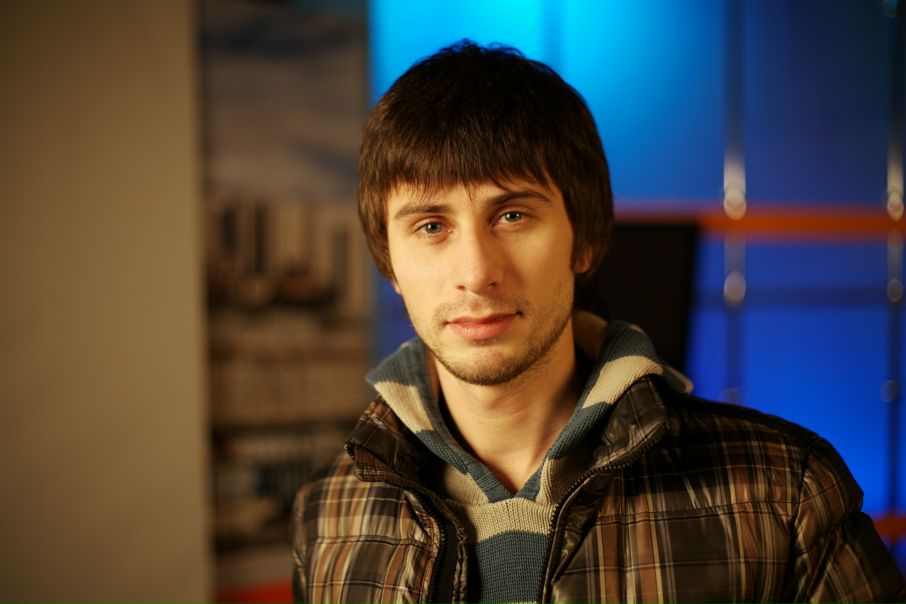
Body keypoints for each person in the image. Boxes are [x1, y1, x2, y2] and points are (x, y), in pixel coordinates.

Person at [291, 40, 906, 603]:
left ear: (583, 239)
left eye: (512, 216)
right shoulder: (329, 513)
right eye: (431, 226)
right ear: (390, 263)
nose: (476, 273)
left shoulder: (782, 492)